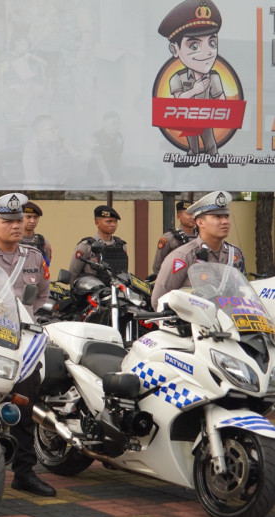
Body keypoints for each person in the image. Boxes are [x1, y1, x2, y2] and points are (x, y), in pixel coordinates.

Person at [0, 192, 54, 497]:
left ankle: (24, 472)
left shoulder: (34, 258)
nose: (16, 225)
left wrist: (25, 316)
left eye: (19, 220)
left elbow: (42, 293)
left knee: (25, 406)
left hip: (22, 345)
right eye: (8, 221)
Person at [151, 191, 245, 309]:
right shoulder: (183, 256)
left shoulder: (234, 254)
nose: (225, 221)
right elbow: (158, 301)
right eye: (217, 217)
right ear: (200, 222)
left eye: (226, 216)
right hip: (193, 325)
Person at [158, 0, 224, 160]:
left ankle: (214, 160)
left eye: (212, 43)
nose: (208, 52)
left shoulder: (214, 77)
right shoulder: (177, 78)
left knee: (211, 147)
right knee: (192, 150)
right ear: (175, 49)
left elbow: (223, 103)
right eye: (194, 46)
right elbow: (177, 102)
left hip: (206, 119)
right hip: (188, 119)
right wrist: (196, 90)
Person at [67, 205, 128, 282]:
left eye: (115, 221)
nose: (113, 225)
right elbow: (73, 274)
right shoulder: (86, 246)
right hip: (93, 291)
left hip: (117, 291)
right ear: (97, 223)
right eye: (109, 221)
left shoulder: (121, 246)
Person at [152, 199, 196, 275]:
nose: (193, 217)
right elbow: (157, 267)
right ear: (178, 216)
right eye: (189, 214)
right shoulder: (169, 238)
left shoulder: (203, 236)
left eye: (194, 213)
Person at [20, 201, 52, 265]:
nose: (32, 221)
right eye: (28, 217)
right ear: (20, 218)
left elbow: (45, 267)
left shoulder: (43, 243)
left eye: (35, 217)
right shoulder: (11, 241)